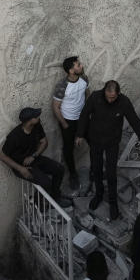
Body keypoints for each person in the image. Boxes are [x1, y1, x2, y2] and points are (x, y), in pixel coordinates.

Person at [76, 80, 140, 220]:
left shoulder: (124, 102)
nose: (110, 99)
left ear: (118, 94)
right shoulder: (95, 97)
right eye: (108, 96)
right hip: (95, 141)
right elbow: (84, 115)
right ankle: (98, 195)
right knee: (96, 169)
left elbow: (135, 121)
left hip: (112, 142)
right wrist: (80, 134)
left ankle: (113, 203)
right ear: (104, 91)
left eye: (113, 97)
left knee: (112, 174)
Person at [0, 107, 72, 208]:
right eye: (35, 116)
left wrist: (33, 156)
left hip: (34, 159)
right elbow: (2, 156)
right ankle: (38, 207)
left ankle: (56, 198)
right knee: (46, 183)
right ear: (29, 121)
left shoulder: (37, 125)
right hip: (21, 166)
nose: (38, 116)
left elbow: (44, 142)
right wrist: (21, 169)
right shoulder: (14, 136)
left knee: (59, 169)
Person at [51, 56, 90, 191]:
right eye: (78, 65)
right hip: (68, 121)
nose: (81, 66)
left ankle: (95, 171)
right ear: (71, 71)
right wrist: (64, 124)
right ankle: (73, 175)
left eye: (79, 64)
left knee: (94, 140)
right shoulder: (62, 86)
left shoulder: (84, 78)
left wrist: (88, 110)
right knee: (68, 149)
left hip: (83, 119)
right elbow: (55, 107)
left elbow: (87, 92)